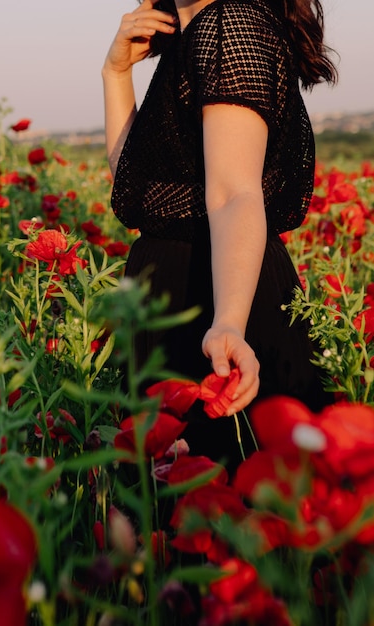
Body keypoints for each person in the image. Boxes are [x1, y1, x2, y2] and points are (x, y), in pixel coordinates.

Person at [102, 0, 337, 475]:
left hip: (214, 296)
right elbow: (140, 188)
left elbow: (234, 194)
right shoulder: (189, 37)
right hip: (177, 291)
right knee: (173, 527)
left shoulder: (231, 24)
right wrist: (115, 73)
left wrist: (228, 322)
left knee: (222, 515)